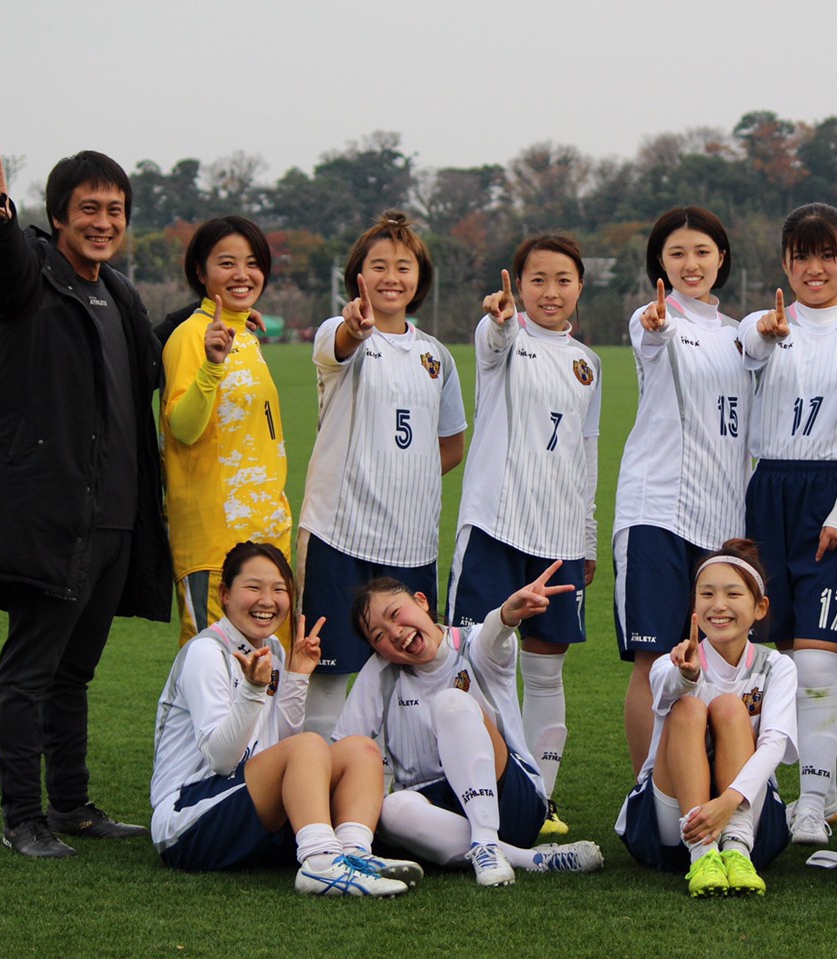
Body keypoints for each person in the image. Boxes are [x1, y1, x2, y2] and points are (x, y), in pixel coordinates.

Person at [0, 152, 171, 857]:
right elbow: (2, 261)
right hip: (52, 515)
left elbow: (151, 368)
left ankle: (72, 806)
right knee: (29, 672)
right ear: (57, 217)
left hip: (115, 518)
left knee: (74, 674)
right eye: (89, 208)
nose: (103, 222)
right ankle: (22, 817)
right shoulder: (32, 281)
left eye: (114, 211)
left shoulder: (120, 294)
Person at [737, 202, 837, 846]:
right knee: (775, 660)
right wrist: (763, 334)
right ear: (785, 263)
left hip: (833, 494)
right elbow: (746, 343)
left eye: (827, 254)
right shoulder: (767, 324)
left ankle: (810, 803)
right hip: (768, 489)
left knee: (818, 666)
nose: (815, 268)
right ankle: (808, 789)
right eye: (801, 256)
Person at [149, 542, 415, 896]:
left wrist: (297, 677)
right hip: (186, 822)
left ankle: (353, 854)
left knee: (359, 750)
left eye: (278, 589)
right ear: (225, 595)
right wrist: (253, 691)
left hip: (238, 803)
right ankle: (320, 862)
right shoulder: (206, 653)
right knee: (308, 746)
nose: (267, 600)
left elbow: (277, 747)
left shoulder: (271, 648)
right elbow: (221, 758)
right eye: (254, 588)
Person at [446, 234, 601, 836]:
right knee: (479, 663)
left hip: (558, 536)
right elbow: (492, 341)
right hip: (496, 527)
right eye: (538, 279)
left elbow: (587, 455)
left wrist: (584, 539)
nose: (550, 291)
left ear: (580, 286)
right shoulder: (504, 342)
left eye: (563, 279)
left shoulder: (589, 362)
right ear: (519, 284)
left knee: (545, 671)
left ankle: (538, 800)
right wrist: (502, 322)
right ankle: (473, 789)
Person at [297, 212, 466, 739]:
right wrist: (354, 327)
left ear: (420, 278)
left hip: (411, 543)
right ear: (358, 277)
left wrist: (402, 476)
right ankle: (315, 789)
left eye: (404, 266)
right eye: (378, 266)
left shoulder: (436, 356)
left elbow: (451, 444)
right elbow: (340, 343)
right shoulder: (339, 332)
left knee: (408, 675)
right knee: (328, 671)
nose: (392, 277)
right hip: (339, 534)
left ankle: (394, 791)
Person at [336, 565, 605, 886]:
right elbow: (345, 748)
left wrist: (507, 615)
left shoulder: (473, 643)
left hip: (512, 800)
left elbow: (494, 634)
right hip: (438, 810)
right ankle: (528, 858)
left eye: (396, 613)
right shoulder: (379, 673)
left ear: (421, 601)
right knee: (393, 809)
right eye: (378, 635)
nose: (395, 632)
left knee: (450, 702)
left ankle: (488, 840)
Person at [616, 206, 751, 774]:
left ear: (722, 257)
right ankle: (648, 789)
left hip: (722, 521)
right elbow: (653, 337)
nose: (690, 264)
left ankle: (705, 784)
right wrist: (656, 325)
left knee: (714, 660)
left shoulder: (743, 335)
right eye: (677, 253)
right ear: (660, 264)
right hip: (657, 513)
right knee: (653, 660)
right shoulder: (651, 319)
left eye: (702, 251)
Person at [616, 540, 797, 897]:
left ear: (760, 608)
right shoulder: (673, 660)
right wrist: (687, 677)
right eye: (707, 594)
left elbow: (776, 744)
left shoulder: (778, 666)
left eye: (733, 594)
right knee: (687, 707)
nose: (719, 606)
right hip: (671, 829)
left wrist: (726, 803)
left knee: (731, 708)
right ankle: (703, 857)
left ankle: (736, 852)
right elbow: (666, 686)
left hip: (747, 823)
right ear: (694, 606)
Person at [159, 216, 291, 647]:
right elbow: (183, 427)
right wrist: (212, 365)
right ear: (200, 272)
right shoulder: (190, 337)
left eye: (252, 263)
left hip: (267, 541)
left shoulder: (246, 335)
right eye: (227, 263)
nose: (242, 275)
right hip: (217, 547)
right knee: (215, 679)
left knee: (267, 681)